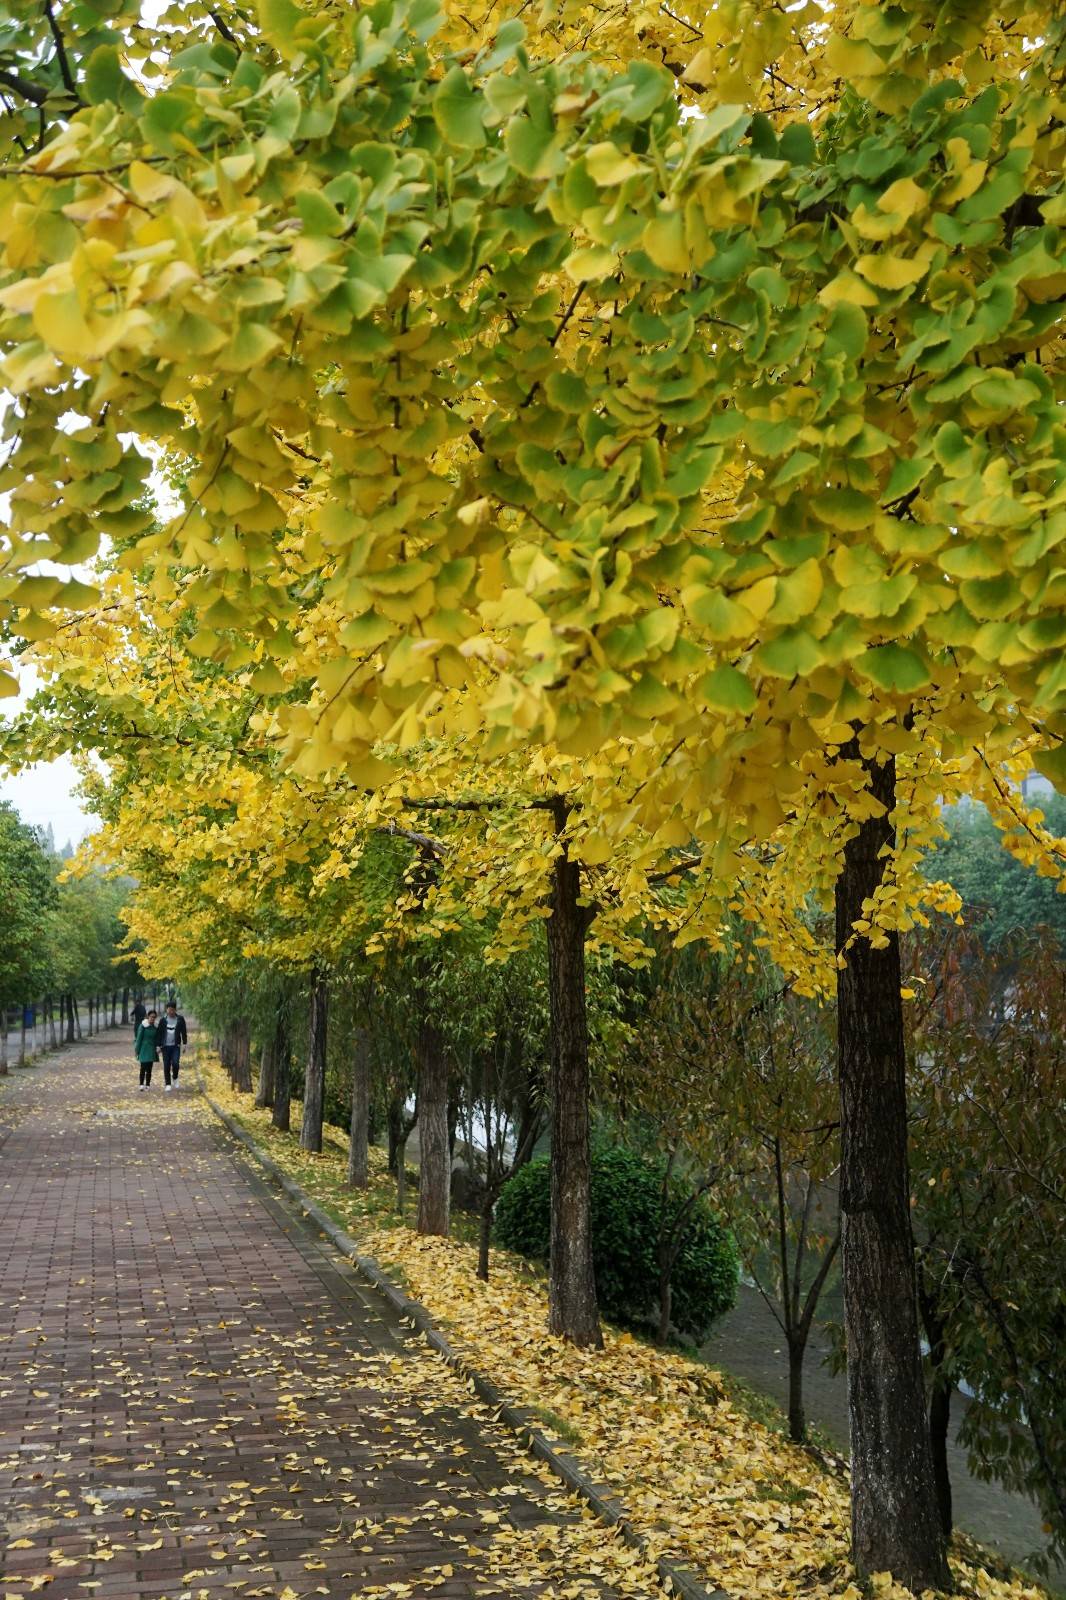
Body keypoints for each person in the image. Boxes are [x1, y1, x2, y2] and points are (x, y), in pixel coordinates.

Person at [159, 1001, 188, 1090]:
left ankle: (175, 1077)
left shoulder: (180, 1019)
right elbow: (159, 1034)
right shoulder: (163, 1020)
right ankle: (168, 1084)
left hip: (176, 1046)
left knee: (175, 1063)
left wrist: (185, 1044)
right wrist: (158, 1045)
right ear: (166, 1010)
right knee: (166, 1065)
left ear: (175, 1010)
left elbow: (184, 1032)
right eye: (169, 1010)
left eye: (172, 1010)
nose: (170, 1012)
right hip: (165, 1046)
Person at [135, 1010, 160, 1089]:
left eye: (154, 1017)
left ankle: (148, 1084)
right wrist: (137, 1050)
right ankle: (141, 1084)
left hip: (152, 1049)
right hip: (143, 1048)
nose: (153, 1018)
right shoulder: (143, 1026)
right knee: (143, 1067)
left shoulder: (155, 1027)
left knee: (149, 1067)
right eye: (151, 1017)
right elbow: (139, 1039)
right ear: (148, 1017)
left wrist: (158, 1047)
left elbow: (157, 1039)